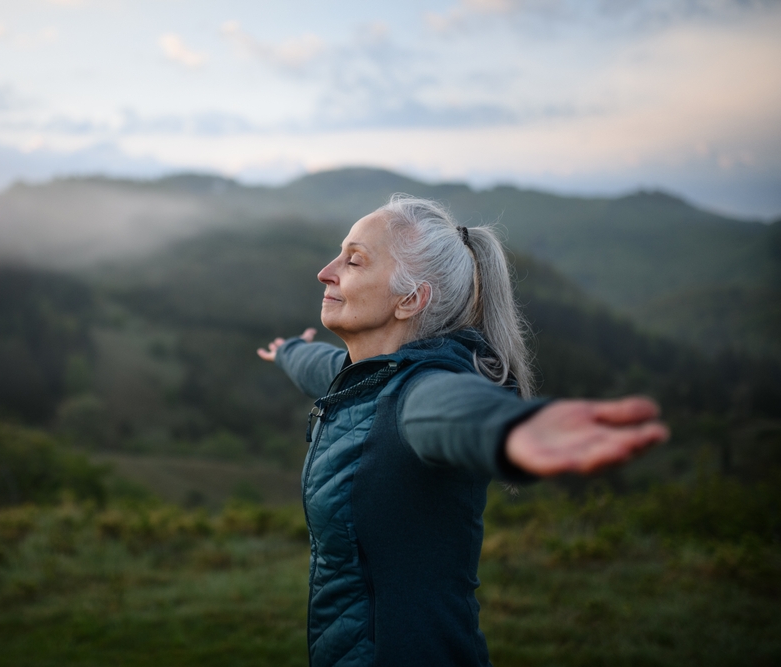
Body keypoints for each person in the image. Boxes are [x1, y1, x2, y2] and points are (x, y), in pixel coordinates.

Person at [256, 195, 669, 667]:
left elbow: (450, 410)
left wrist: (511, 429)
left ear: (410, 300)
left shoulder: (418, 392)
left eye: (353, 260)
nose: (325, 272)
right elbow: (324, 368)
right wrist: (288, 351)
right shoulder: (367, 377)